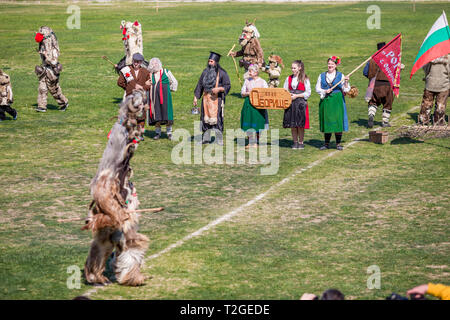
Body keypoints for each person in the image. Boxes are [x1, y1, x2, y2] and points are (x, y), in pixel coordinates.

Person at [193, 52, 231, 145]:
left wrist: (219, 89)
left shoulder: (222, 73)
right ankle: (206, 138)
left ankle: (219, 139)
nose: (210, 63)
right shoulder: (205, 72)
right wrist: (196, 97)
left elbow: (227, 85)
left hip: (217, 100)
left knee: (217, 119)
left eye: (212, 61)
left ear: (216, 62)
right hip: (206, 99)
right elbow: (200, 85)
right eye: (209, 61)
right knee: (205, 118)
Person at [315, 56, 350, 150]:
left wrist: (346, 82)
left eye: (332, 64)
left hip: (337, 101)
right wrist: (324, 91)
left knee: (338, 121)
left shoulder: (341, 75)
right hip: (326, 101)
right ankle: (326, 144)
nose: (330, 65)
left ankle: (338, 144)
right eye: (329, 64)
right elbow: (317, 88)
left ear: (335, 65)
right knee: (328, 121)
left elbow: (346, 89)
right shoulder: (322, 75)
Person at [117, 53, 151, 140]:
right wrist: (128, 88)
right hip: (130, 97)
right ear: (132, 61)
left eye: (138, 62)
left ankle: (139, 134)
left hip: (141, 98)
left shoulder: (146, 72)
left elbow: (150, 84)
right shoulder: (126, 70)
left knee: (141, 117)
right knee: (131, 116)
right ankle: (130, 133)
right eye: (135, 61)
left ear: (141, 62)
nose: (136, 63)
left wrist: (142, 88)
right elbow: (120, 82)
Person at [34, 26, 69, 112]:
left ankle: (63, 102)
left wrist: (46, 57)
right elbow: (38, 39)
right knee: (42, 88)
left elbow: (53, 62)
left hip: (52, 71)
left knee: (54, 90)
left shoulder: (53, 49)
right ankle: (42, 106)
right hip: (45, 69)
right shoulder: (43, 45)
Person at [146, 58, 178, 140]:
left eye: (156, 63)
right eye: (153, 64)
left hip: (165, 98)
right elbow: (146, 84)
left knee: (167, 114)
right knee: (156, 114)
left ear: (159, 64)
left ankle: (169, 133)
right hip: (154, 98)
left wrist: (168, 90)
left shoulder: (166, 72)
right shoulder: (150, 74)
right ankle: (157, 133)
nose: (154, 65)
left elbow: (174, 82)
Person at [365, 42, 395, 128]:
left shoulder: (372, 59)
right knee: (387, 104)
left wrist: (371, 78)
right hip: (387, 86)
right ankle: (385, 122)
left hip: (375, 85)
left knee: (373, 102)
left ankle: (371, 115)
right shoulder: (390, 59)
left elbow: (365, 72)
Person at [283, 60, 311, 149]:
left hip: (300, 104)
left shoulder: (305, 79)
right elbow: (285, 90)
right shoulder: (288, 78)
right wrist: (288, 95)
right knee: (293, 124)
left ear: (299, 68)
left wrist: (297, 96)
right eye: (292, 68)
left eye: (294, 68)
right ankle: (295, 142)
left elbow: (308, 93)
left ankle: (301, 142)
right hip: (291, 103)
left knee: (300, 124)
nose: (292, 70)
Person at [240, 64, 269, 148]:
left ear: (256, 72)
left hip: (258, 105)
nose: (249, 72)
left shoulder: (262, 81)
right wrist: (249, 93)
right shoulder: (247, 81)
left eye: (251, 71)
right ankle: (250, 141)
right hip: (248, 103)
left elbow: (266, 93)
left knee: (257, 122)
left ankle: (256, 141)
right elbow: (242, 93)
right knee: (249, 122)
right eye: (248, 71)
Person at [418, 54, 449, 126]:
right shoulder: (448, 58)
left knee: (426, 103)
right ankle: (438, 122)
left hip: (430, 83)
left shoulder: (430, 57)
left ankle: (423, 120)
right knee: (440, 105)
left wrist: (427, 76)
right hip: (443, 85)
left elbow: (425, 68)